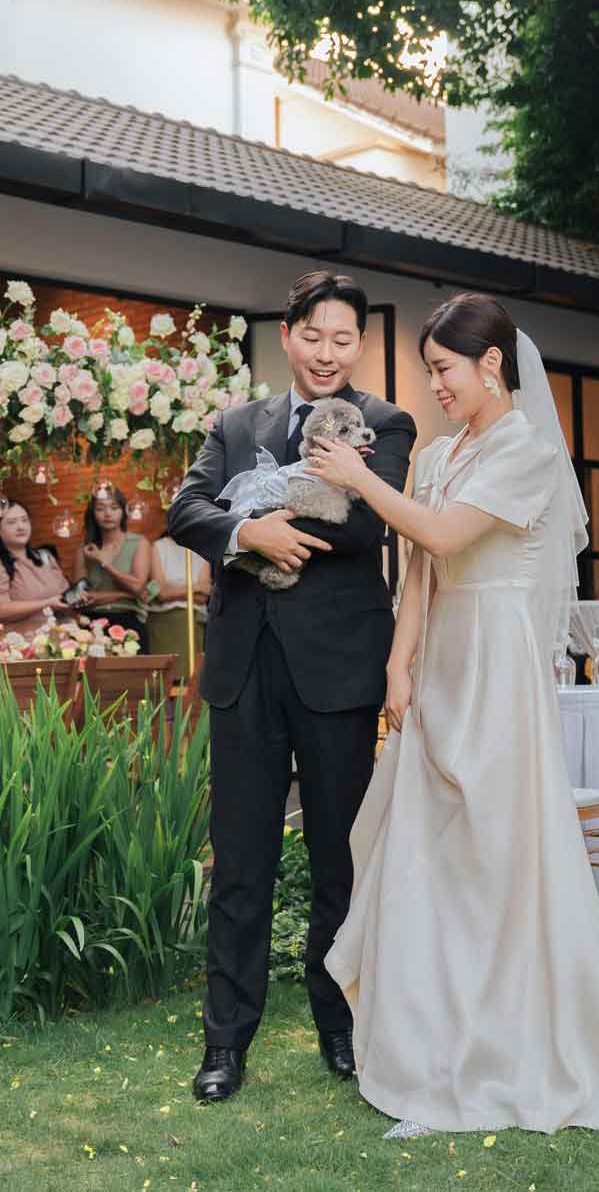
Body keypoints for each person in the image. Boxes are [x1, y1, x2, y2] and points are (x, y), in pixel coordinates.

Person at [304, 293, 599, 1139]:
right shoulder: (439, 453)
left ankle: (505, 1047)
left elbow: (445, 535)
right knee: (425, 854)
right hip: (440, 657)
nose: (436, 385)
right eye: (429, 370)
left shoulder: (530, 451)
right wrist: (399, 663)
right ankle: (429, 1046)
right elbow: (419, 569)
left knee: (492, 853)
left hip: (497, 663)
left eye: (444, 369)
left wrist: (361, 479)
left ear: (491, 364)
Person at [167, 270, 416, 1103]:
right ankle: (224, 1043)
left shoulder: (385, 423)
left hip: (339, 669)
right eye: (313, 336)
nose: (326, 352)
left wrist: (286, 527)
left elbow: (372, 521)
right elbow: (185, 510)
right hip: (243, 668)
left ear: (359, 344)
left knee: (341, 859)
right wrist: (249, 531)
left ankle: (340, 1025)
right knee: (241, 861)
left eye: (342, 339)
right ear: (286, 335)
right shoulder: (236, 423)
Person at [0, 501, 72, 636]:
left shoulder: (45, 556)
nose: (21, 527)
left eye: (24, 520)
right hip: (15, 642)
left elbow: (63, 597)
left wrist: (76, 600)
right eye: (12, 522)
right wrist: (47, 603)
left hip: (53, 639)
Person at [79, 483, 154, 644]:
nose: (108, 514)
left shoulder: (139, 543)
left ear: (123, 511)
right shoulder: (85, 549)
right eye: (100, 509)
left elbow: (137, 587)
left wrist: (104, 562)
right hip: (92, 625)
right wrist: (125, 595)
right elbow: (81, 598)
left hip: (129, 620)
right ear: (92, 513)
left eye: (114, 508)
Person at [146, 526, 209, 665]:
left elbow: (203, 597)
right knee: (167, 672)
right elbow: (161, 594)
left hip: (194, 619)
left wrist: (173, 592)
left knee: (191, 672)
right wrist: (196, 587)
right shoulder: (158, 547)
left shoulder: (202, 549)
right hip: (163, 620)